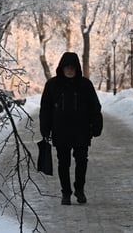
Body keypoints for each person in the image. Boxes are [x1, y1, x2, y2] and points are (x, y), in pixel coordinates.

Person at [40, 52, 103, 205]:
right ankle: (66, 192)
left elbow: (95, 106)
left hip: (81, 130)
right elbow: (46, 109)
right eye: (67, 67)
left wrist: (96, 125)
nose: (69, 70)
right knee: (63, 163)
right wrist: (45, 129)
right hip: (60, 131)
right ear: (61, 68)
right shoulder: (52, 85)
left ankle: (79, 189)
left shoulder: (85, 85)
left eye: (72, 68)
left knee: (82, 161)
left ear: (77, 68)